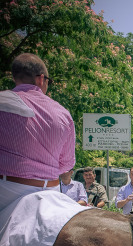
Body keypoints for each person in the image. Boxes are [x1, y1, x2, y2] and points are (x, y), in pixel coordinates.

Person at [0, 53, 75, 212]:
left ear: (15, 77)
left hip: (6, 190)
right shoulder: (62, 113)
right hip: (50, 193)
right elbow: (67, 164)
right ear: (41, 79)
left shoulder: (2, 101)